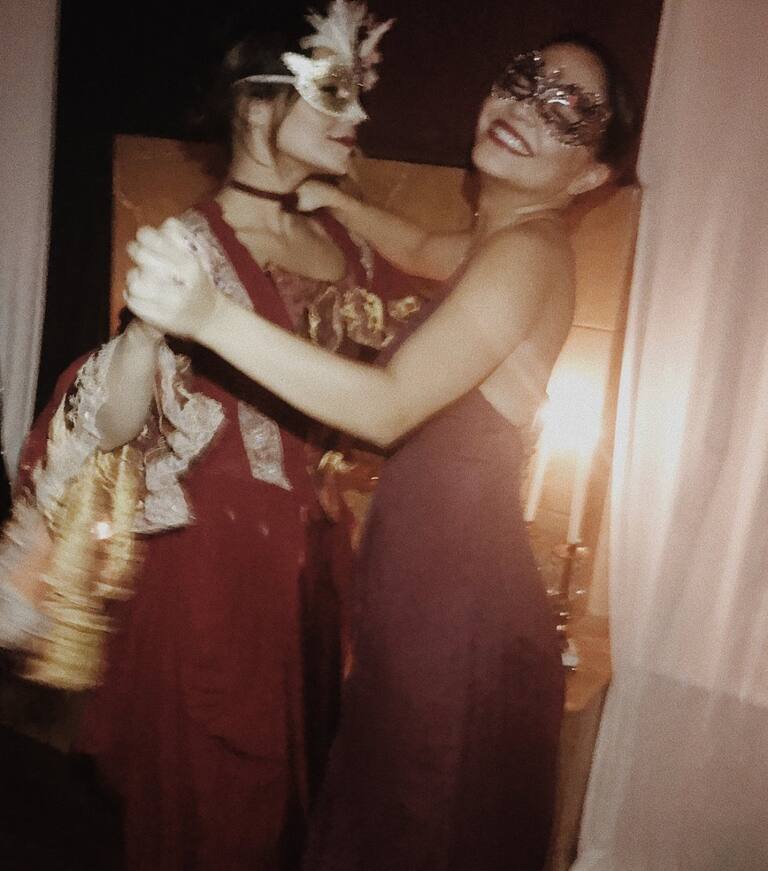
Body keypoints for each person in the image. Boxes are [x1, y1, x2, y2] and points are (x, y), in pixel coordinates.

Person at [126, 36, 635, 871]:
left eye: (567, 111)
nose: (526, 106)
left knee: (415, 826)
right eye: (523, 79)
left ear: (590, 175)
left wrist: (209, 315)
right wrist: (336, 198)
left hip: (459, 609)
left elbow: (390, 405)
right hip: (430, 591)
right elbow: (423, 250)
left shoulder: (529, 253)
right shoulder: (501, 241)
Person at [0, 2, 421, 868]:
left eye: (361, 91)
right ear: (256, 104)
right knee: (218, 823)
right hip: (213, 587)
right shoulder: (190, 245)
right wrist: (144, 335)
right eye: (335, 92)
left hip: (318, 574)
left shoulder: (346, 240)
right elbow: (114, 422)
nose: (359, 114)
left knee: (299, 818)